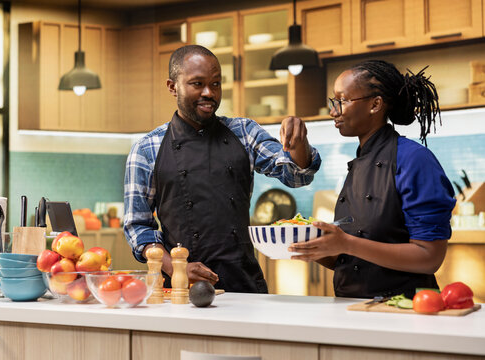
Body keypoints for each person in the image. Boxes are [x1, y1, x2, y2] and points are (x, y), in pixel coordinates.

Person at [123, 45, 321, 293]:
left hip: (244, 284)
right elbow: (137, 226)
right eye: (197, 84)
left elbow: (295, 176)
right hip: (182, 288)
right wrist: (175, 267)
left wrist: (298, 143)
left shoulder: (244, 132)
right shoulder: (146, 149)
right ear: (172, 87)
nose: (209, 92)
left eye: (215, 84)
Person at [289, 60, 455, 299]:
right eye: (333, 102)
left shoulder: (414, 159)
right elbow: (357, 259)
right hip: (354, 308)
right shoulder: (358, 163)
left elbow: (429, 257)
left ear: (375, 104)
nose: (333, 110)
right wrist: (315, 249)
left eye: (343, 100)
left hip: (405, 310)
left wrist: (346, 244)